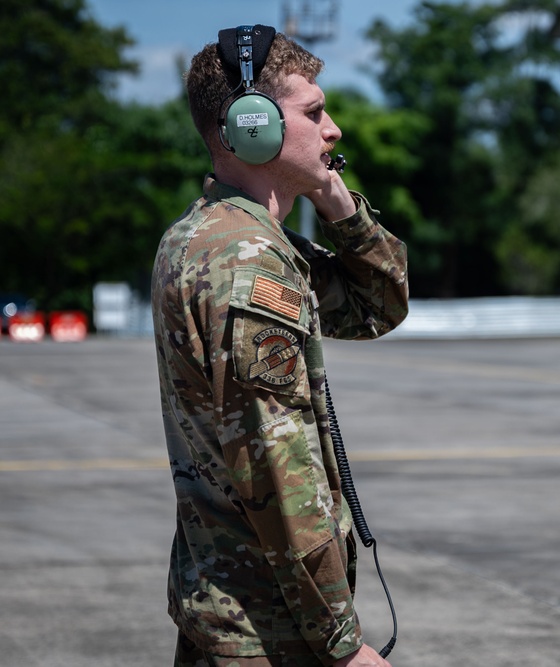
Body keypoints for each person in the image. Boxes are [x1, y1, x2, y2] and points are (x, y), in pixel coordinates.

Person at [151, 24, 407, 666]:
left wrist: (338, 205)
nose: (334, 129)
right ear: (252, 126)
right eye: (314, 112)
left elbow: (377, 307)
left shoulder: (222, 236)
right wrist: (341, 644)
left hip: (236, 608)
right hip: (268, 630)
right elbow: (277, 466)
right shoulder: (246, 260)